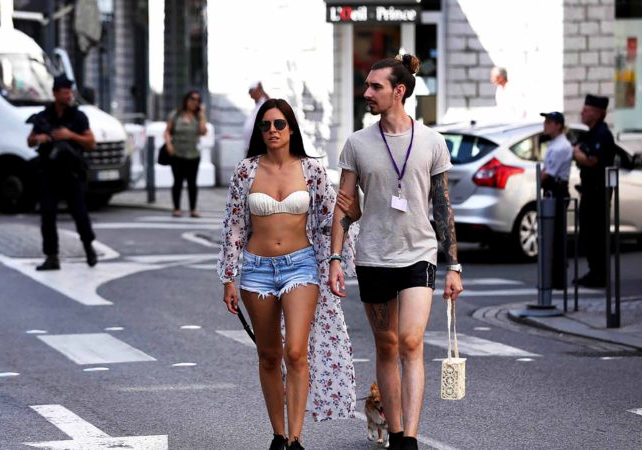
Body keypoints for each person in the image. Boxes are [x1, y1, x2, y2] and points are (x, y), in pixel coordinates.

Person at [329, 54, 464, 450]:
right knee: (386, 345)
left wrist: (453, 264)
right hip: (373, 255)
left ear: (398, 91)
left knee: (409, 341)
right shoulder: (357, 143)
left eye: (375, 87)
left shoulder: (431, 141)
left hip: (419, 253)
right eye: (367, 86)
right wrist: (336, 258)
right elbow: (344, 203)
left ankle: (410, 439)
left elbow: (442, 205)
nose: (366, 93)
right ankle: (396, 428)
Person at [218, 99, 359, 450]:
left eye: (279, 124)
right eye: (265, 126)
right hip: (256, 269)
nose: (272, 131)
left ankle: (296, 437)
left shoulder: (311, 170)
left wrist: (341, 247)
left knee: (296, 352)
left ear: (291, 128)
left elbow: (331, 219)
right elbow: (234, 226)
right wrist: (228, 277)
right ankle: (278, 435)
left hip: (301, 265)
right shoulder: (245, 171)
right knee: (269, 354)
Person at [27, 74, 97, 271]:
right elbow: (30, 140)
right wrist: (39, 138)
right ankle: (52, 256)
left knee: (79, 213)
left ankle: (88, 247)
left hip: (72, 173)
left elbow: (91, 143)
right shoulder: (44, 116)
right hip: (49, 172)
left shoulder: (78, 116)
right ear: (55, 93)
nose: (69, 96)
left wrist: (70, 135)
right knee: (47, 214)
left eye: (70, 92)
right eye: (65, 92)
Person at [573, 94, 615, 287]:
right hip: (589, 191)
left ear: (597, 114)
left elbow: (592, 160)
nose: (583, 112)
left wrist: (575, 153)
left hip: (599, 193)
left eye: (587, 109)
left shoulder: (602, 134)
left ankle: (599, 275)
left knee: (597, 235)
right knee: (588, 235)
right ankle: (593, 271)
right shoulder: (590, 133)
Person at [540, 111, 572, 289]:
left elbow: (547, 174)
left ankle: (557, 279)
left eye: (549, 122)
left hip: (557, 190)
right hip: (554, 190)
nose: (545, 125)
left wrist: (539, 179)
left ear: (558, 125)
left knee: (556, 236)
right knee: (552, 236)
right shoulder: (555, 144)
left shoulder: (561, 147)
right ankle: (554, 278)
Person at [163, 90, 208, 218]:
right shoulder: (176, 114)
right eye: (192, 99)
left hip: (193, 154)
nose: (195, 102)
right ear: (186, 100)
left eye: (197, 100)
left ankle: (193, 209)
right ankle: (177, 208)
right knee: (177, 181)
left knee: (192, 182)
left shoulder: (198, 116)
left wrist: (202, 115)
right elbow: (167, 131)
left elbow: (203, 132)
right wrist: (169, 145)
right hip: (177, 153)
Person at [242, 81, 270, 152]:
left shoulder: (264, 104)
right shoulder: (257, 105)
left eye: (251, 91)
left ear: (258, 90)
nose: (250, 94)